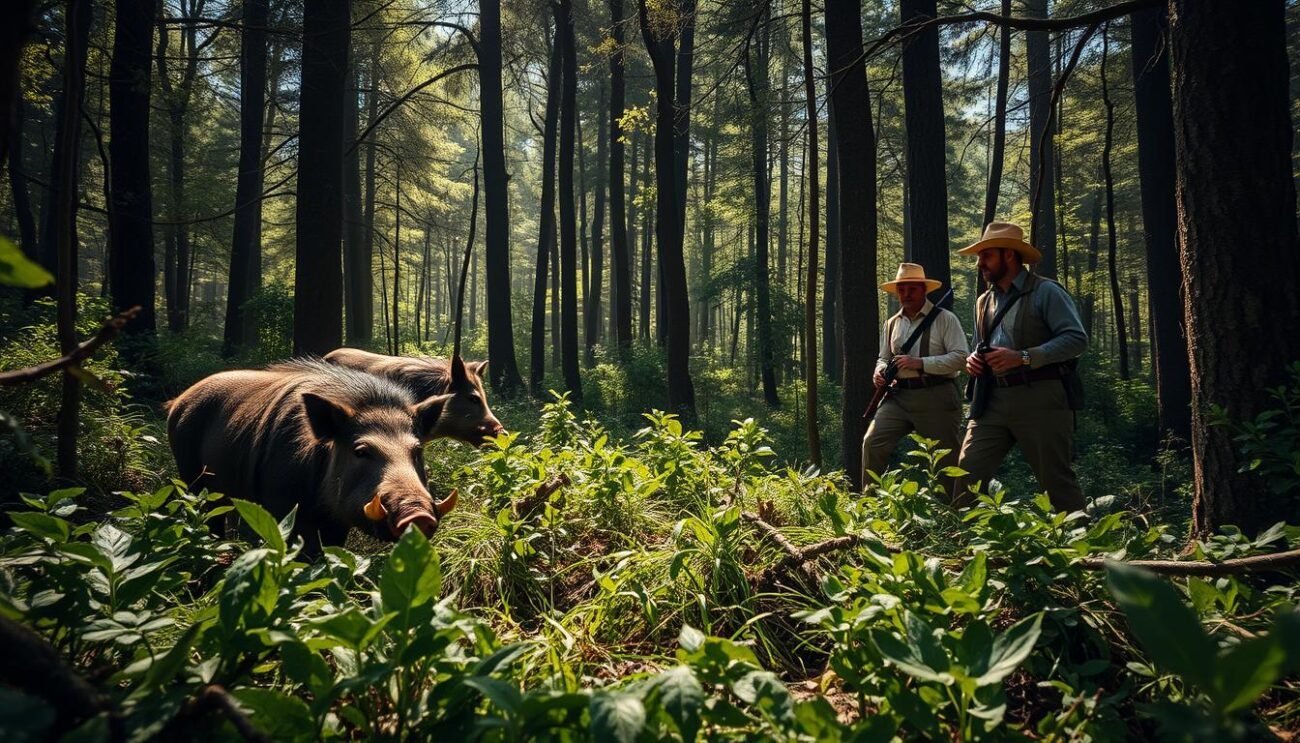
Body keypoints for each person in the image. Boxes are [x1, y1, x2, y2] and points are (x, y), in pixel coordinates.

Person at [955, 222, 1088, 512]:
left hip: (1041, 396)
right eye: (980, 257)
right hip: (991, 400)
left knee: (1056, 481)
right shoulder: (983, 302)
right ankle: (963, 549)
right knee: (968, 470)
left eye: (987, 255)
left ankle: (1084, 551)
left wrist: (1024, 357)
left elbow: (1076, 339)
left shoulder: (1047, 292)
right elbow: (979, 345)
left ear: (1010, 256)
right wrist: (973, 361)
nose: (980, 264)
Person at [862, 263, 969, 492]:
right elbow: (883, 357)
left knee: (947, 459)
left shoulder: (945, 319)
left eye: (912, 289)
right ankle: (869, 504)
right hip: (898, 397)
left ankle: (956, 513)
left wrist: (920, 363)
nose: (906, 295)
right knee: (873, 443)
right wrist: (879, 372)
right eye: (902, 290)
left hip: (937, 395)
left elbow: (961, 358)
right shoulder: (891, 323)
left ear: (924, 290)